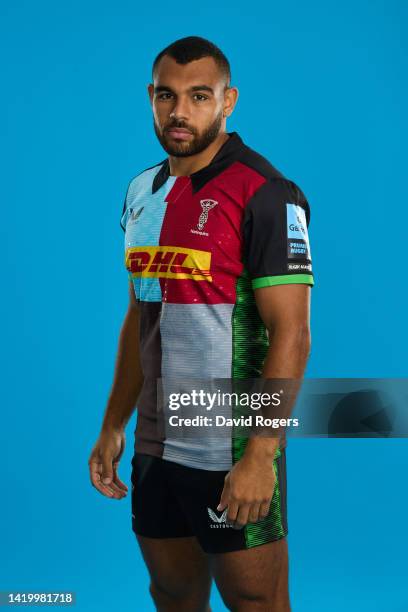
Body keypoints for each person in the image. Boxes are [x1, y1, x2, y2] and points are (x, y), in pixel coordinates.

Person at [88, 35, 314, 612]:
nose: (180, 112)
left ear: (228, 100)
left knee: (255, 599)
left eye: (199, 96)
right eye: (167, 96)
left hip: (229, 441)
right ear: (151, 97)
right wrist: (114, 423)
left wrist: (261, 455)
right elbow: (142, 314)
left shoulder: (266, 193)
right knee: (172, 592)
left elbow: (292, 334)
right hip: (155, 441)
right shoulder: (142, 191)